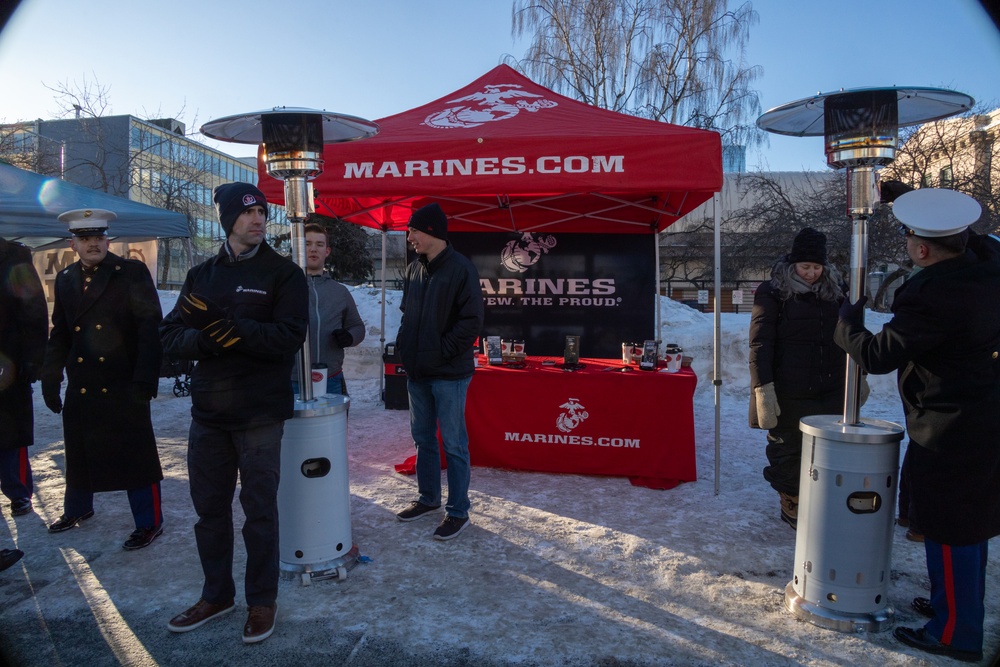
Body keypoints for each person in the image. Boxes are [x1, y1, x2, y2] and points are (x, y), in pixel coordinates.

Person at [835, 188, 999, 664]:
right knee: (968, 527)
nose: (909, 243)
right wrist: (911, 197)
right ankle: (954, 605)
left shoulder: (934, 295)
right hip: (983, 415)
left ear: (922, 249)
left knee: (951, 529)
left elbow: (876, 355)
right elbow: (979, 238)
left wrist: (847, 321)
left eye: (911, 236)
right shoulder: (987, 264)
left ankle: (955, 632)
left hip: (950, 428)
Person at [160, 182, 307, 644]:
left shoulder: (284, 274)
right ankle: (216, 595)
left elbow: (288, 337)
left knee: (260, 511)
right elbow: (169, 336)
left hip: (260, 414)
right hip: (208, 415)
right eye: (247, 213)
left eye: (262, 212)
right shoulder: (202, 274)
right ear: (228, 220)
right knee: (209, 513)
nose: (257, 219)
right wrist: (205, 340)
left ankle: (262, 602)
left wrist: (236, 330)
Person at [40, 209, 165, 550]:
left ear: (107, 239)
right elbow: (61, 334)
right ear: (73, 243)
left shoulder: (131, 272)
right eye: (85, 238)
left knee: (135, 456)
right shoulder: (65, 279)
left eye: (98, 237)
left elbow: (149, 328)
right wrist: (50, 377)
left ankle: (149, 521)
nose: (92, 244)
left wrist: (146, 377)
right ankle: (78, 509)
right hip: (84, 381)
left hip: (124, 382)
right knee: (79, 451)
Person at [393, 203, 484, 541]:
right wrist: (407, 347)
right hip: (418, 372)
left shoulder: (461, 269)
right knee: (423, 438)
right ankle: (428, 498)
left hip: (449, 374)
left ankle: (458, 511)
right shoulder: (415, 268)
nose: (410, 236)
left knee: (455, 444)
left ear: (431, 232)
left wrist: (439, 353)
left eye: (414, 230)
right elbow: (407, 316)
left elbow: (471, 322)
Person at [748, 227, 848, 530]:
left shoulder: (836, 292)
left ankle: (819, 500)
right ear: (793, 264)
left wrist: (859, 374)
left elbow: (849, 336)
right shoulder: (772, 291)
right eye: (805, 266)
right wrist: (762, 388)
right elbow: (760, 342)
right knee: (788, 447)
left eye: (817, 267)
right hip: (788, 387)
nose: (811, 273)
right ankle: (791, 498)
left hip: (830, 386)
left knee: (827, 449)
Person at [0, 236, 47, 519]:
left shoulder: (14, 256)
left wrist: (32, 360)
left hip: (9, 362)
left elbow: (34, 312)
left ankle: (18, 492)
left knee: (10, 432)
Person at [293, 222, 365, 396]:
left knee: (334, 424)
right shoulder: (286, 288)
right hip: (293, 380)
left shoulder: (339, 292)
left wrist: (349, 337)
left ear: (327, 251)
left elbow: (358, 327)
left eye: (319, 244)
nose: (313, 249)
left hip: (331, 378)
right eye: (307, 243)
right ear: (298, 248)